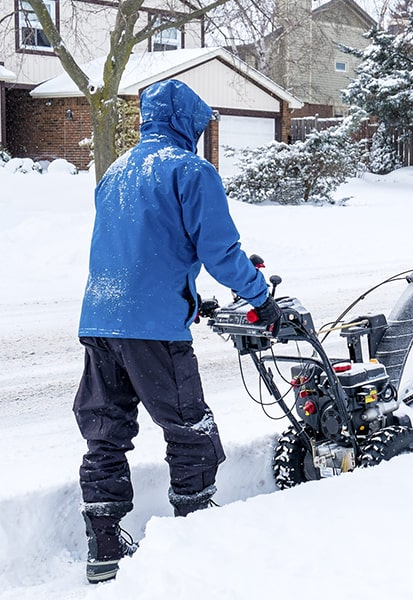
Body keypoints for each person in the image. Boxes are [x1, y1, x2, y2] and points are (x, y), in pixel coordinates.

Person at [73, 79, 280, 584]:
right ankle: (194, 531)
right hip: (155, 328)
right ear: (186, 121)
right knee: (191, 429)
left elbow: (140, 245)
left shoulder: (116, 172)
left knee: (106, 432)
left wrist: (188, 296)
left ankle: (103, 543)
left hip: (101, 321)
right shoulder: (191, 170)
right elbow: (221, 254)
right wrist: (261, 298)